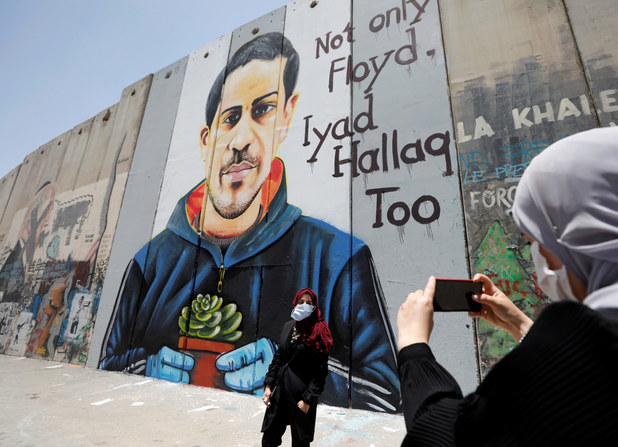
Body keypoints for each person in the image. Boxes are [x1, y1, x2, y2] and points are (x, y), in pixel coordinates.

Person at [100, 32, 400, 412]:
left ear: (287, 118)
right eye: (229, 119)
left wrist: (294, 373)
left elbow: (386, 394)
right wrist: (148, 369)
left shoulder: (338, 259)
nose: (241, 139)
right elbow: (105, 368)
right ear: (207, 140)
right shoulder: (149, 263)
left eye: (262, 111)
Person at [396, 124, 618, 446]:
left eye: (534, 242)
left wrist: (414, 347)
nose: (538, 258)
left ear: (581, 235)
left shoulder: (590, 348)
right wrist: (522, 326)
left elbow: (448, 437)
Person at [261, 288, 331, 447]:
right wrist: (269, 385)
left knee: (300, 441)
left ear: (314, 307)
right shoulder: (288, 326)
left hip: (301, 396)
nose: (304, 305)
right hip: (280, 393)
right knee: (269, 438)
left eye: (309, 303)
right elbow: (279, 357)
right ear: (295, 304)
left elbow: (321, 371)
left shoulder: (319, 332)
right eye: (301, 302)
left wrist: (307, 400)